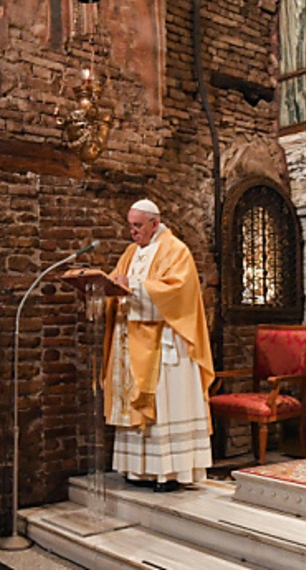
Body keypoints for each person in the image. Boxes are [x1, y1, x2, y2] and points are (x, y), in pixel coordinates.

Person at [103, 199, 214, 492]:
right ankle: (138, 470)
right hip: (132, 339)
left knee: (165, 406)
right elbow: (117, 281)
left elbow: (178, 292)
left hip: (165, 344)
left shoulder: (176, 250)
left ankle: (169, 472)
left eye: (138, 226)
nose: (133, 231)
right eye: (130, 225)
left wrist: (135, 287)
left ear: (155, 223)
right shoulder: (130, 252)